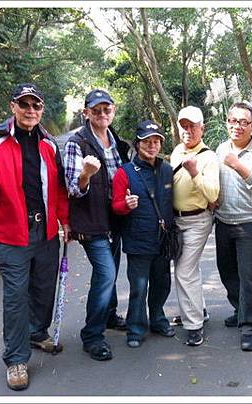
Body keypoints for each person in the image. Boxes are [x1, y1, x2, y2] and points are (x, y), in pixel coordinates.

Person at [0, 83, 69, 391]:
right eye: (24, 104)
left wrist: (66, 222)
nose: (30, 110)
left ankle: (37, 332)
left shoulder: (49, 144)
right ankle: (15, 359)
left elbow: (59, 189)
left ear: (41, 110)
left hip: (46, 232)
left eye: (35, 105)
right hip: (11, 235)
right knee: (15, 297)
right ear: (13, 107)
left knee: (43, 288)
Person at [63, 89, 129, 361]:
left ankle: (110, 314)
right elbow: (72, 189)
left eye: (107, 109)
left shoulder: (120, 144)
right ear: (86, 112)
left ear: (113, 111)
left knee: (111, 271)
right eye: (97, 110)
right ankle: (92, 335)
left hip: (116, 218)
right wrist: (85, 175)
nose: (102, 114)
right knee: (105, 274)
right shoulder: (76, 144)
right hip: (91, 221)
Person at [112, 120, 175, 348]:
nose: (152, 146)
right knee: (139, 287)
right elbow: (116, 206)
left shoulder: (167, 169)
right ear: (137, 144)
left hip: (163, 239)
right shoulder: (125, 172)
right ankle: (136, 328)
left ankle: (158, 319)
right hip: (138, 238)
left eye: (156, 141)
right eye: (147, 141)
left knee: (162, 283)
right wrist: (126, 204)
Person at [214, 102, 252, 352]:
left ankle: (250, 325)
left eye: (243, 122)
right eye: (233, 121)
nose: (237, 126)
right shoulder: (220, 148)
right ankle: (240, 308)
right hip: (224, 220)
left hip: (251, 222)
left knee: (246, 273)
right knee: (226, 270)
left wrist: (238, 165)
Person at [169, 106, 220, 346]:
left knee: (183, 270)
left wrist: (194, 172)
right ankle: (198, 309)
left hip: (198, 220)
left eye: (193, 126)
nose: (188, 130)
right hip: (176, 221)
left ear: (203, 128)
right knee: (189, 268)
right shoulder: (177, 151)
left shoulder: (208, 157)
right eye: (184, 126)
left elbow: (212, 194)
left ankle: (193, 325)